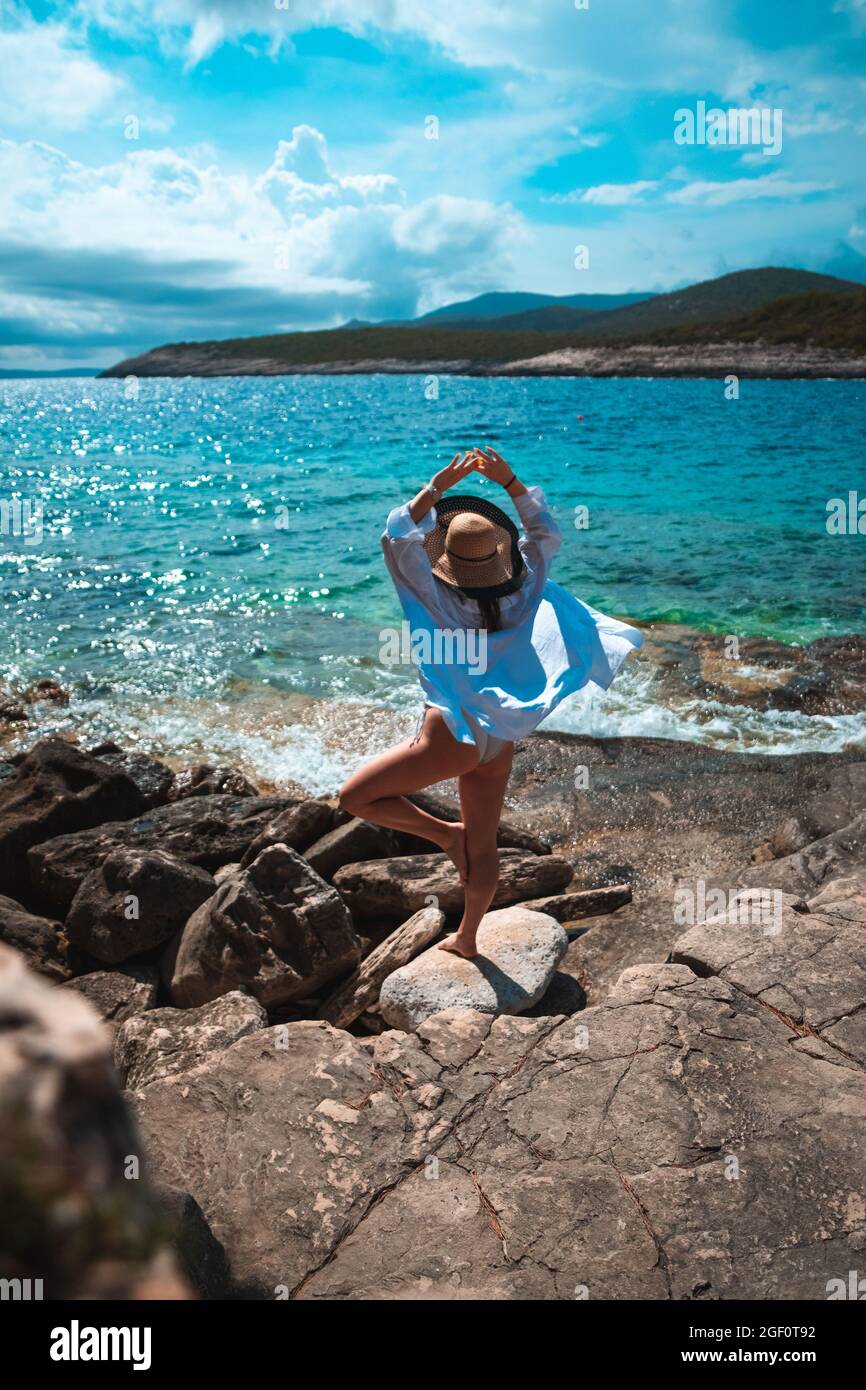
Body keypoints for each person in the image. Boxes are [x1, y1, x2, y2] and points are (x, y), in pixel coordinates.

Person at [339, 446, 643, 958]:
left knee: (355, 799)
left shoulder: (432, 596)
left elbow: (395, 537)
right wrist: (511, 482)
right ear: (500, 557)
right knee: (483, 845)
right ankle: (468, 939)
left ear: (447, 562)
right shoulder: (523, 590)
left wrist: (435, 489)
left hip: (450, 735)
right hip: (498, 738)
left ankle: (442, 836)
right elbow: (545, 536)